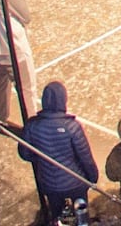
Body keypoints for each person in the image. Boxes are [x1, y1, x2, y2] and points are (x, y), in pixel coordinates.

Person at [20, 80, 99, 225]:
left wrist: (40, 162)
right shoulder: (72, 126)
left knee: (56, 215)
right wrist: (92, 177)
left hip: (49, 183)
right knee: (81, 214)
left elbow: (25, 153)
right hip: (76, 182)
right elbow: (84, 157)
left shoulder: (32, 125)